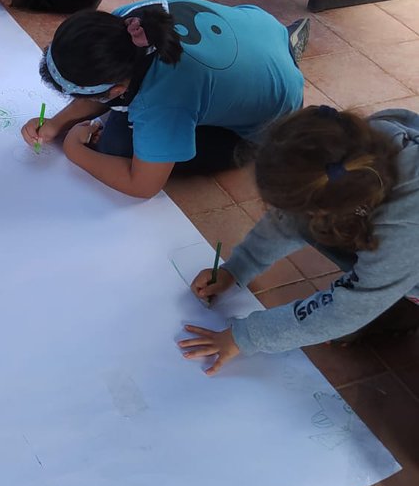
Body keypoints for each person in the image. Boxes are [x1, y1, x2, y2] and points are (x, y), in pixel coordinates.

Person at [179, 105, 419, 374]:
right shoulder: (345, 152)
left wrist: (242, 337)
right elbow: (288, 220)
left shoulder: (404, 222)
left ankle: (396, 302)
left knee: (359, 307)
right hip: (395, 241)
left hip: (407, 242)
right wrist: (237, 268)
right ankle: (389, 296)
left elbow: (346, 308)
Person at [21, 0, 308, 200]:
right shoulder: (125, 23)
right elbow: (105, 93)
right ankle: (285, 48)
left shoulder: (165, 98)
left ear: (117, 90)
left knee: (116, 147)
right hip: (261, 29)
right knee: (128, 127)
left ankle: (284, 67)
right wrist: (57, 123)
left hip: (269, 120)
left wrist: (74, 149)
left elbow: (143, 185)